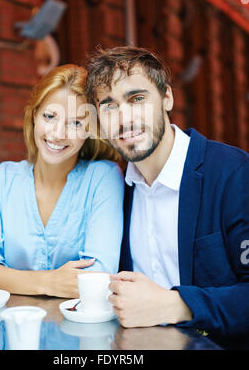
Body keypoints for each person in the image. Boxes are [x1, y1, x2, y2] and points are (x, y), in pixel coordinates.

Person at [86, 45, 249, 340]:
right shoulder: (116, 191)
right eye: (109, 105)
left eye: (136, 98)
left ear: (167, 98)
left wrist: (174, 304)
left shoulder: (231, 172)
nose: (123, 119)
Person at [0, 64, 124, 298]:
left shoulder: (103, 178)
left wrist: (6, 277)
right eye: (50, 116)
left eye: (76, 123)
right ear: (34, 116)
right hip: (10, 327)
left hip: (78, 330)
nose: (58, 134)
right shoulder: (2, 180)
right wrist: (48, 282)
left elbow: (98, 276)